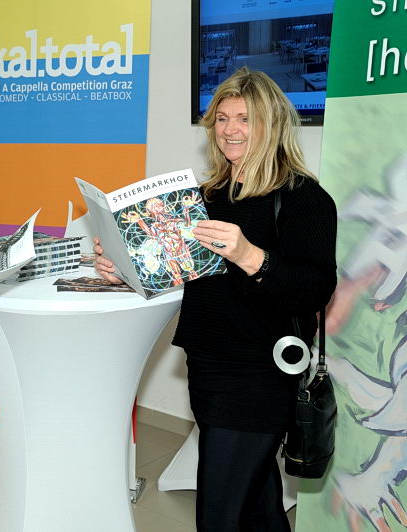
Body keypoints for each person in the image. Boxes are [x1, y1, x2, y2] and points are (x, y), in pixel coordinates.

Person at [95, 67, 337, 531]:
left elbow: (316, 288)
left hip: (259, 374)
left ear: (271, 124)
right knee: (259, 506)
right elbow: (181, 271)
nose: (230, 130)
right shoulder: (207, 196)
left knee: (218, 516)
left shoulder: (302, 197)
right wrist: (122, 269)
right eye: (222, 118)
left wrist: (250, 256)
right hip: (207, 362)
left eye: (244, 118)